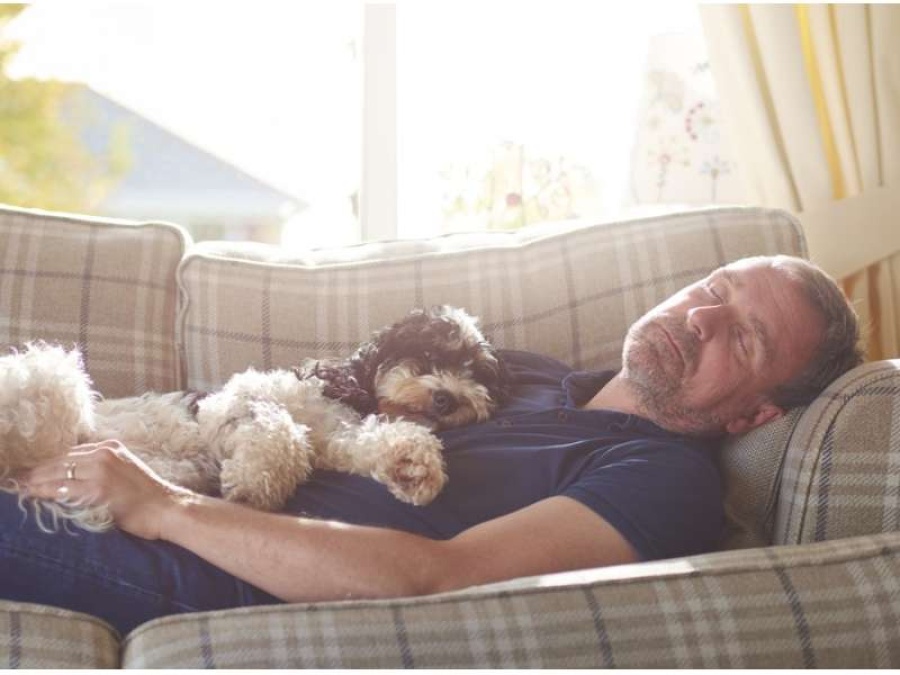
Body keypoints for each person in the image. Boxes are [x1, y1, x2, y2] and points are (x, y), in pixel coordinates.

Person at [5, 254, 862, 635]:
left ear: (755, 415)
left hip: (190, 558)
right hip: (151, 452)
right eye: (710, 290)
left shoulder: (660, 476)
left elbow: (439, 575)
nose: (698, 317)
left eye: (741, 340)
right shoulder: (524, 374)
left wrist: (162, 505)